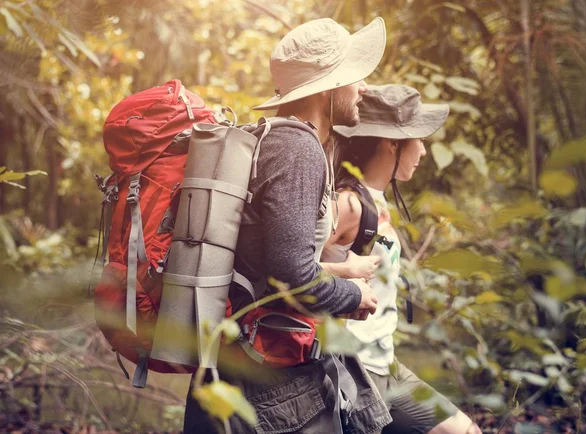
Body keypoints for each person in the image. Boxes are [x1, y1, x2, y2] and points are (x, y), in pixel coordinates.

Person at [183, 18, 394, 434]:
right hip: (272, 387)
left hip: (249, 366)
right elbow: (290, 275)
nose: (363, 87)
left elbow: (269, 261)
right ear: (329, 87)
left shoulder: (277, 139)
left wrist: (342, 271)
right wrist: (353, 294)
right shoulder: (298, 148)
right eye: (354, 77)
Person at [322, 84, 483, 434]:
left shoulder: (375, 200)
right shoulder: (348, 203)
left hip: (386, 366)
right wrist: (343, 270)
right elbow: (287, 266)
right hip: (355, 372)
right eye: (419, 139)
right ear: (392, 143)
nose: (423, 150)